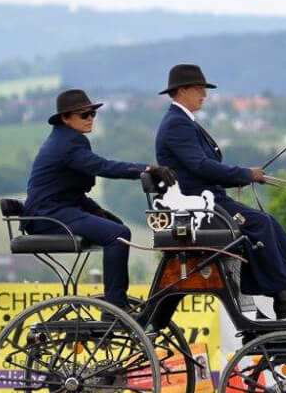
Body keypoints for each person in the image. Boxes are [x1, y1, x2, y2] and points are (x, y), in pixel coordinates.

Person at [153, 64, 286, 318]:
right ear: (182, 91)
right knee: (260, 224)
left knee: (265, 223)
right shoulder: (177, 123)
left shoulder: (183, 121)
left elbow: (202, 167)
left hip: (209, 201)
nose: (204, 95)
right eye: (199, 89)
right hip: (201, 207)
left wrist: (242, 177)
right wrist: (245, 174)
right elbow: (201, 166)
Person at [23, 89, 177, 311]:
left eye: (92, 114)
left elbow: (69, 192)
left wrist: (97, 210)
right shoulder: (67, 143)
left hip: (56, 209)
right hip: (49, 216)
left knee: (118, 229)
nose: (90, 119)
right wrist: (147, 168)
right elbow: (102, 166)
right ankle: (114, 307)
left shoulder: (67, 139)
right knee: (119, 235)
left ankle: (117, 301)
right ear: (66, 118)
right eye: (84, 115)